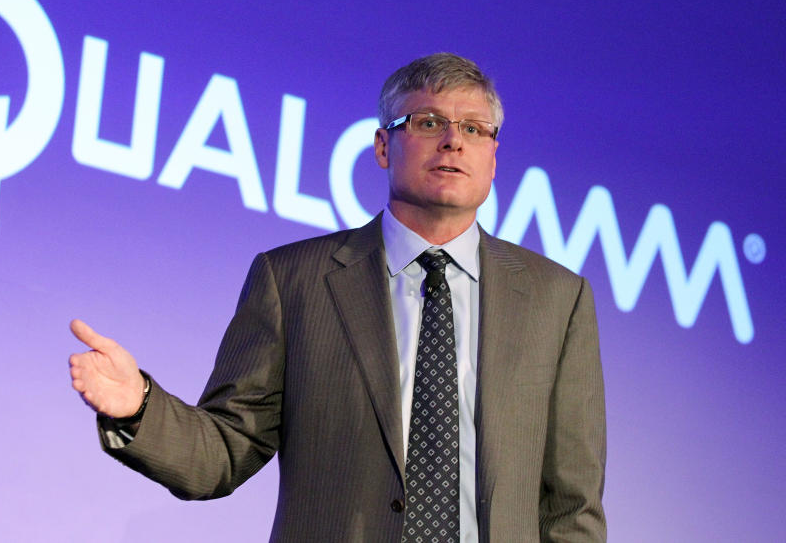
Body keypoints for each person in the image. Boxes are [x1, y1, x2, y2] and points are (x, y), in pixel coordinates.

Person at [69, 53, 606, 542]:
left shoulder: (558, 299)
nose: (453, 141)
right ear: (381, 146)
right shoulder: (293, 280)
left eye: (474, 128)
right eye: (428, 122)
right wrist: (139, 407)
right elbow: (225, 451)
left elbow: (572, 506)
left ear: (493, 156)